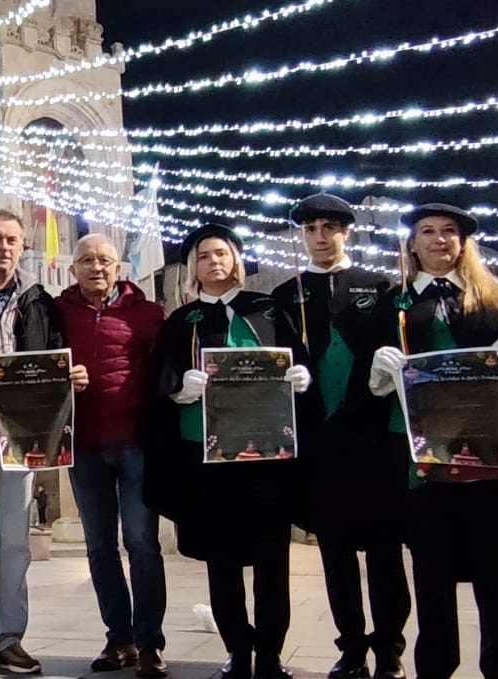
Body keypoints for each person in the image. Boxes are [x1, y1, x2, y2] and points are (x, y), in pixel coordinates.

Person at [368, 204, 498, 679]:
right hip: (423, 465)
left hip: (488, 461)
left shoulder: (495, 300)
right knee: (431, 579)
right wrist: (377, 376)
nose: (438, 240)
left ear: (462, 241)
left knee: (496, 580)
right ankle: (435, 669)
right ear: (412, 244)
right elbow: (367, 396)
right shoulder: (392, 306)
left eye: (448, 232)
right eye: (427, 232)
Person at [150, 223, 315, 679]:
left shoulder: (267, 309)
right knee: (222, 563)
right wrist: (180, 389)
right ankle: (238, 651)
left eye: (222, 253)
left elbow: (296, 359)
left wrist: (301, 377)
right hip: (208, 461)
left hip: (266, 458)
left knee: (271, 563)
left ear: (236, 260)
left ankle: (270, 653)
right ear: (193, 268)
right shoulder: (181, 323)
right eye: (204, 256)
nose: (214, 262)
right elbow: (160, 381)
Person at [272, 194, 408, 679]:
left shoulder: (380, 287)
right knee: (336, 555)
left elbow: (401, 352)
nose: (320, 238)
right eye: (311, 230)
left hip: (371, 439)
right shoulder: (287, 294)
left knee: (384, 552)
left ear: (347, 231)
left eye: (330, 228)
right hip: (319, 443)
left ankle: (389, 649)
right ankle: (351, 646)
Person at [0, 208, 89, 675]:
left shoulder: (40, 301)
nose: (3, 247)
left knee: (14, 543)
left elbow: (55, 360)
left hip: (21, 437)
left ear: (23, 245)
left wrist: (70, 378)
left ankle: (8, 638)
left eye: (12, 240)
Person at [52, 233, 169, 678]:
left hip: (136, 443)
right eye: (86, 261)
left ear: (119, 268)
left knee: (142, 543)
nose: (95, 268)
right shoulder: (58, 312)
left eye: (104, 261)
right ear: (73, 269)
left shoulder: (148, 314)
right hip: (83, 445)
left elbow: (165, 372)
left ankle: (149, 642)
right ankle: (118, 637)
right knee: (99, 547)